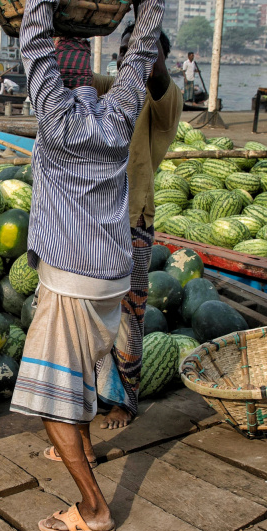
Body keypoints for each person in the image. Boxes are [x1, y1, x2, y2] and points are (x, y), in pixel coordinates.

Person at [9, 0, 178, 531]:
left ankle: (94, 508)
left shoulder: (55, 122)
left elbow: (32, 35)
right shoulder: (116, 118)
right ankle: (85, 469)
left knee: (51, 402)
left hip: (71, 282)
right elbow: (144, 43)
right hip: (111, 274)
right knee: (76, 382)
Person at [90, 27, 182, 429]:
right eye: (124, 49)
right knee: (89, 311)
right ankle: (93, 392)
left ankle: (124, 402)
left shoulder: (163, 99)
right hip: (91, 219)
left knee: (129, 315)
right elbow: (71, 75)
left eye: (141, 49)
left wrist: (145, 29)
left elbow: (156, 74)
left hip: (132, 220)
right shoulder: (109, 89)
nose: (129, 56)